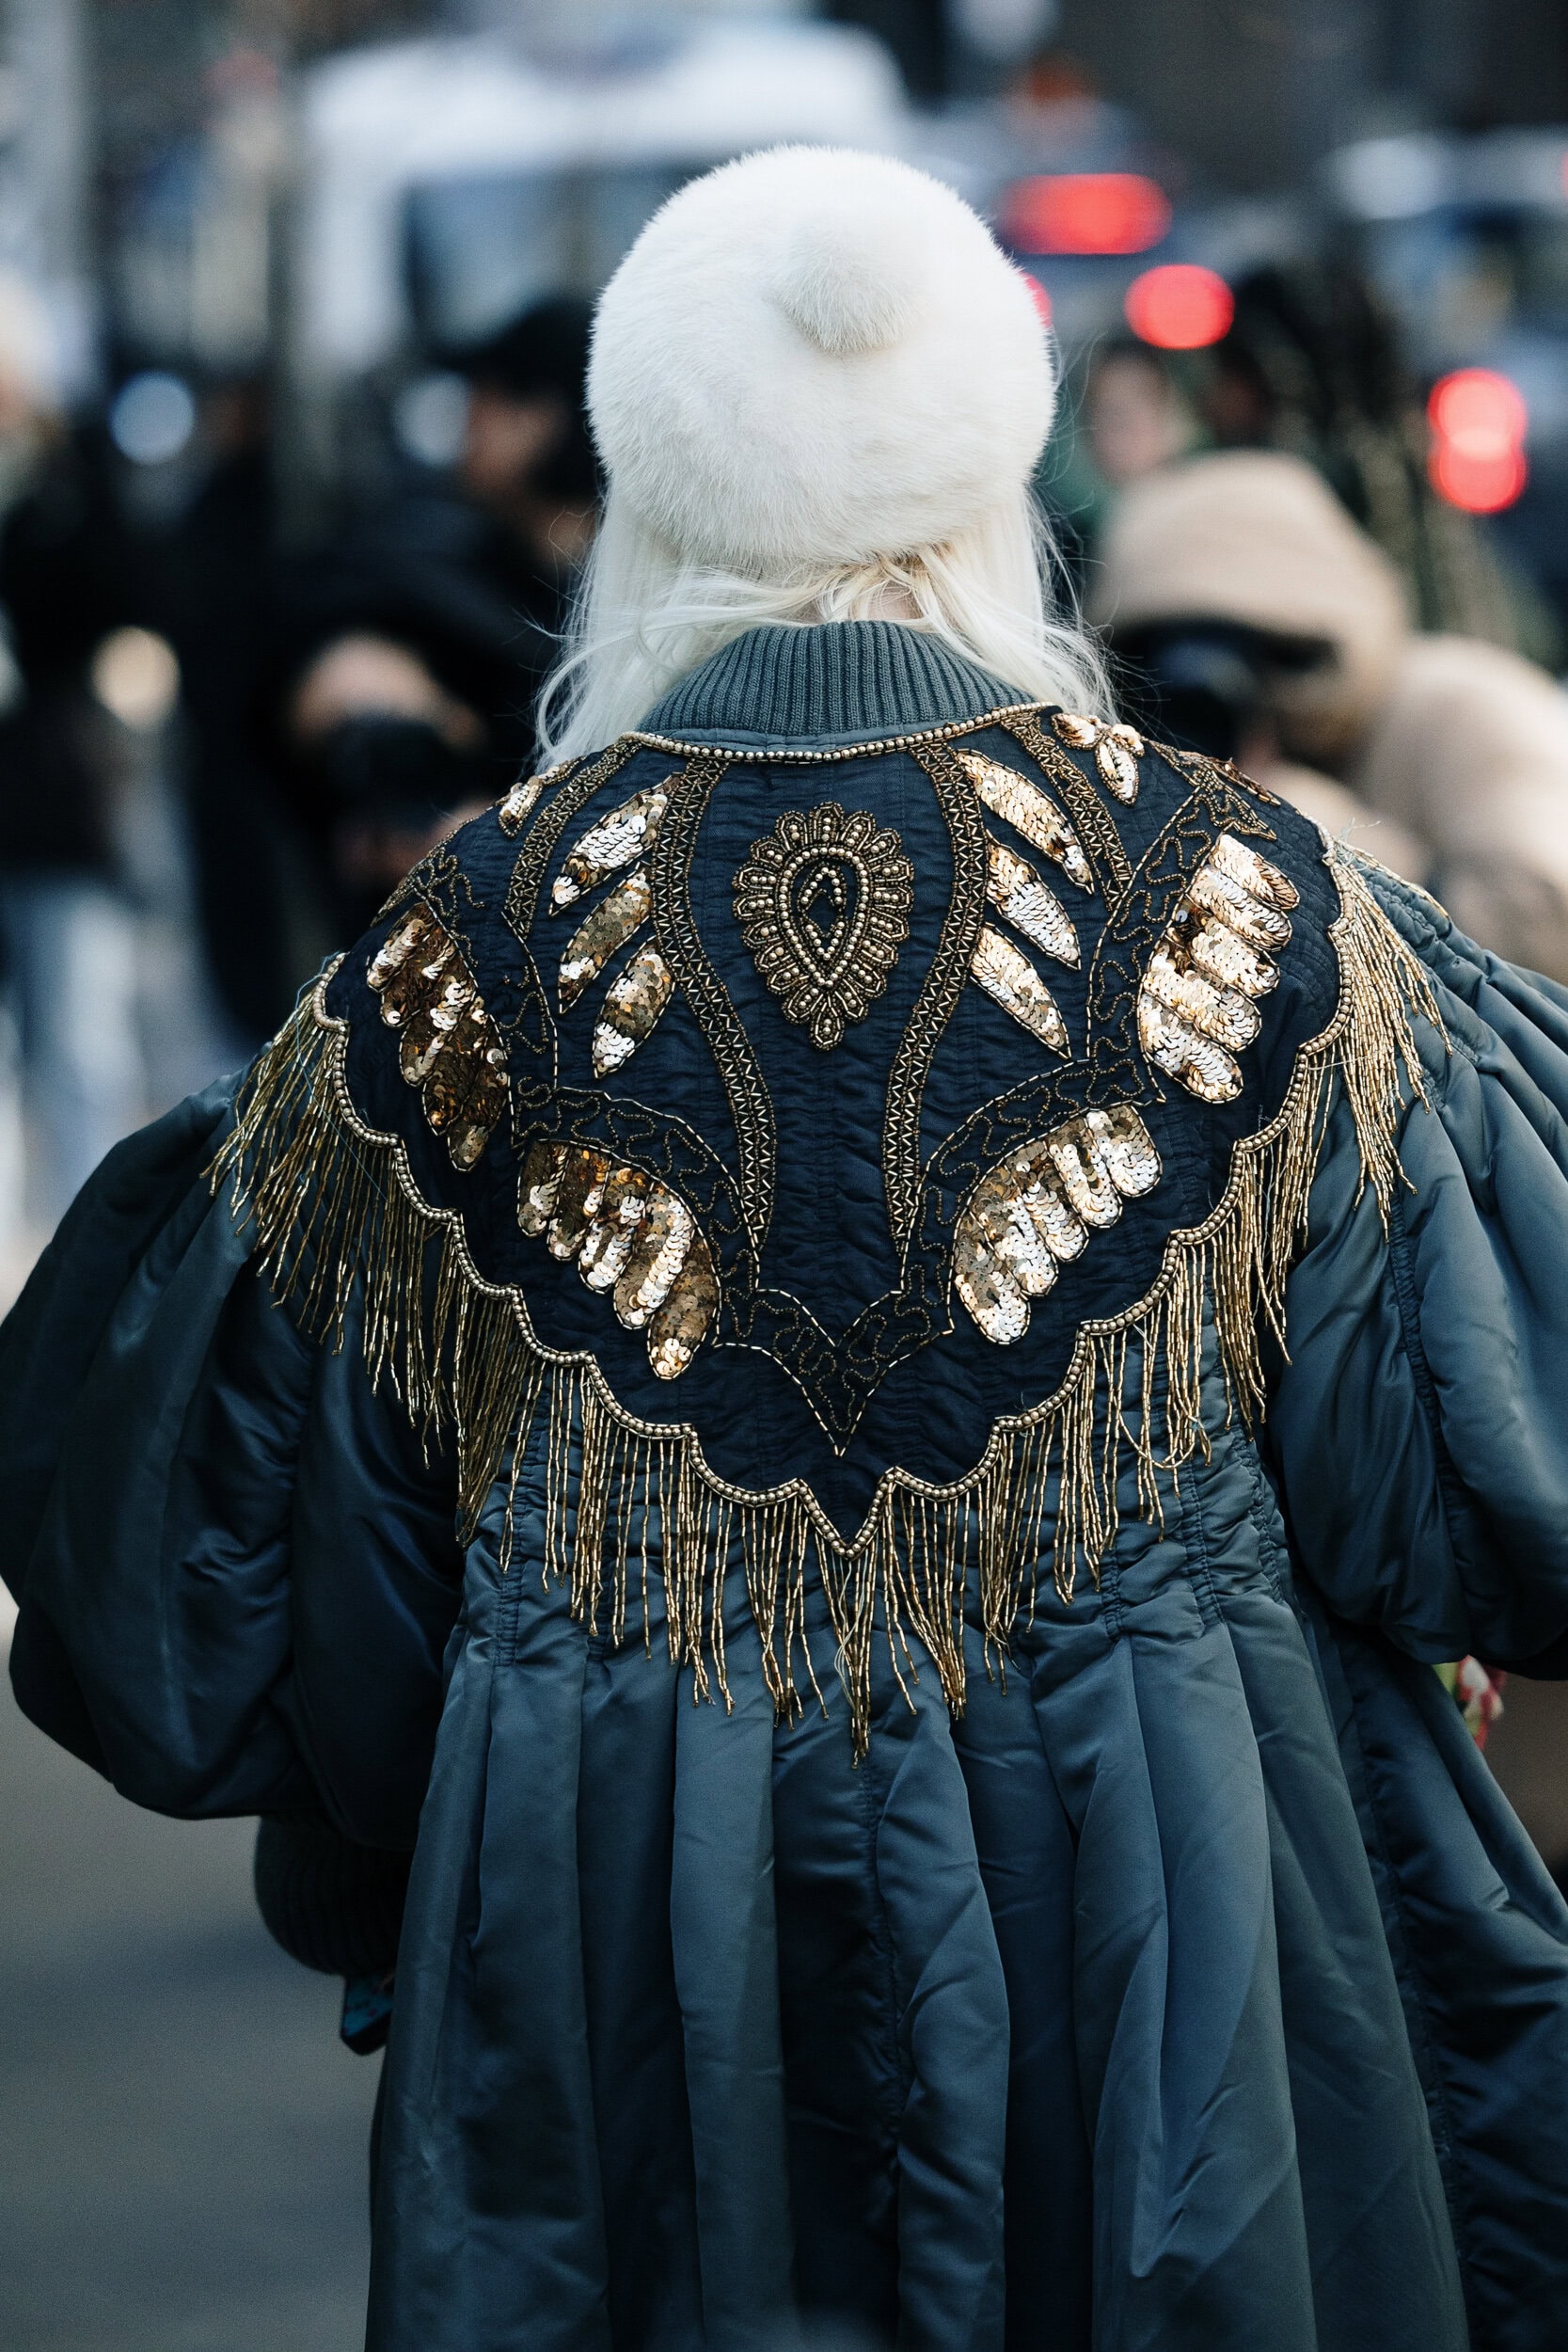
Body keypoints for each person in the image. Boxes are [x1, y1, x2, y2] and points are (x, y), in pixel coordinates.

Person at [4, 146, 1568, 2352]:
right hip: (1188, 1941)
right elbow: (1497, 1472)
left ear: (645, 490)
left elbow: (202, 1611)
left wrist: (436, 1802)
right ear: (991, 481)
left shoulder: (449, 965)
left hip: (618, 1959)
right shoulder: (1265, 914)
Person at [1095, 447, 1568, 972]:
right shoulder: (1146, 763)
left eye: (1255, 648)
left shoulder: (1460, 707)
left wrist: (1313, 841)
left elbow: (1547, 928)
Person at [273, 294, 600, 940]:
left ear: (546, 420)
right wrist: (387, 728)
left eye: (491, 397)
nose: (469, 416)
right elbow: (346, 662)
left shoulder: (650, 597)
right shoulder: (428, 560)